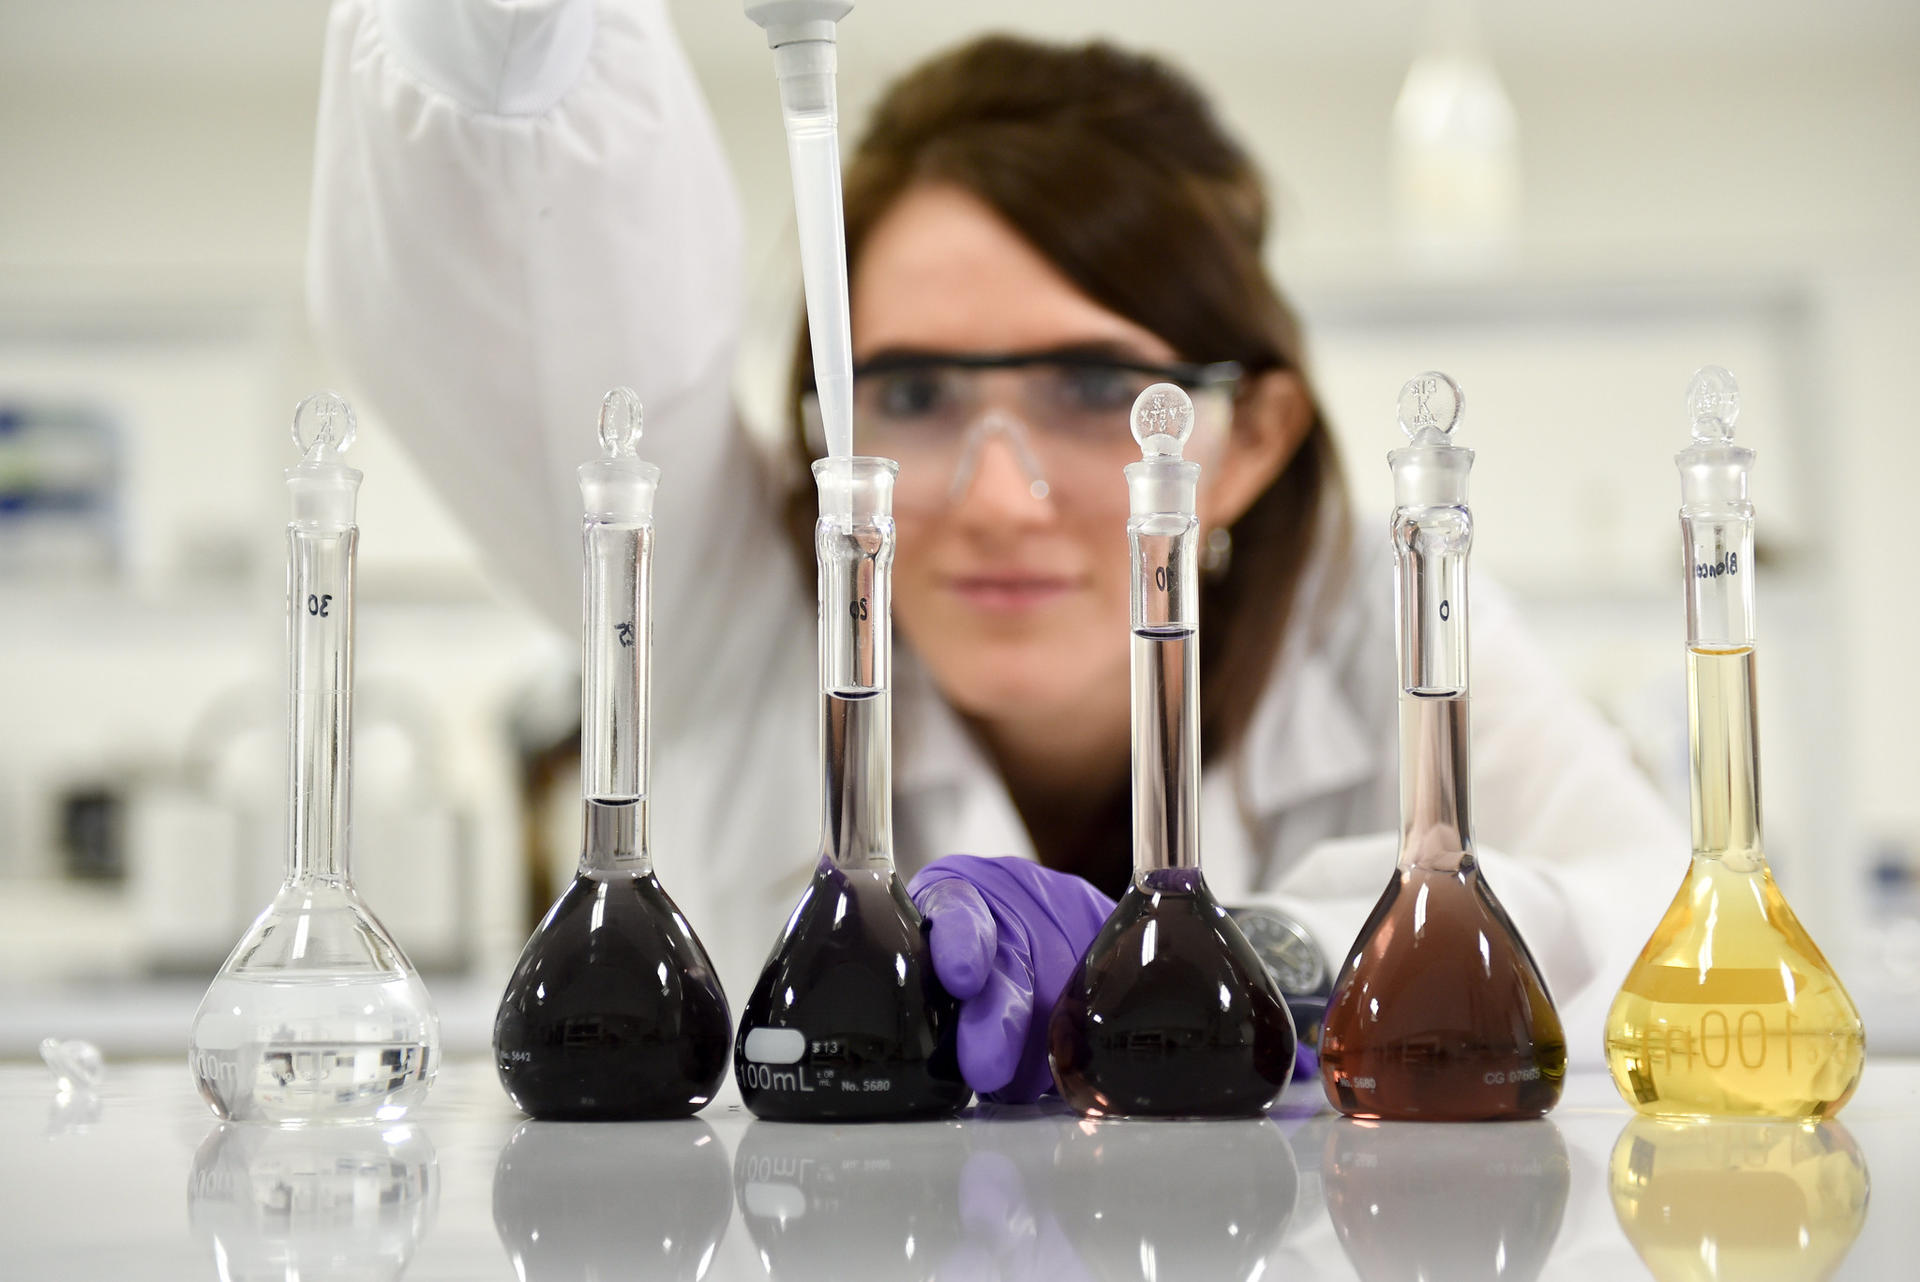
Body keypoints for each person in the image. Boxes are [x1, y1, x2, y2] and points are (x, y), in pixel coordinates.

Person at [310, 0, 1680, 1095]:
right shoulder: (735, 600)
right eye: (914, 392)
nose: (1000, 497)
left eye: (1092, 388)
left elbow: (1650, 921)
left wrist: (1265, 958)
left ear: (1252, 437)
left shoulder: (1374, 621)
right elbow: (514, 264)